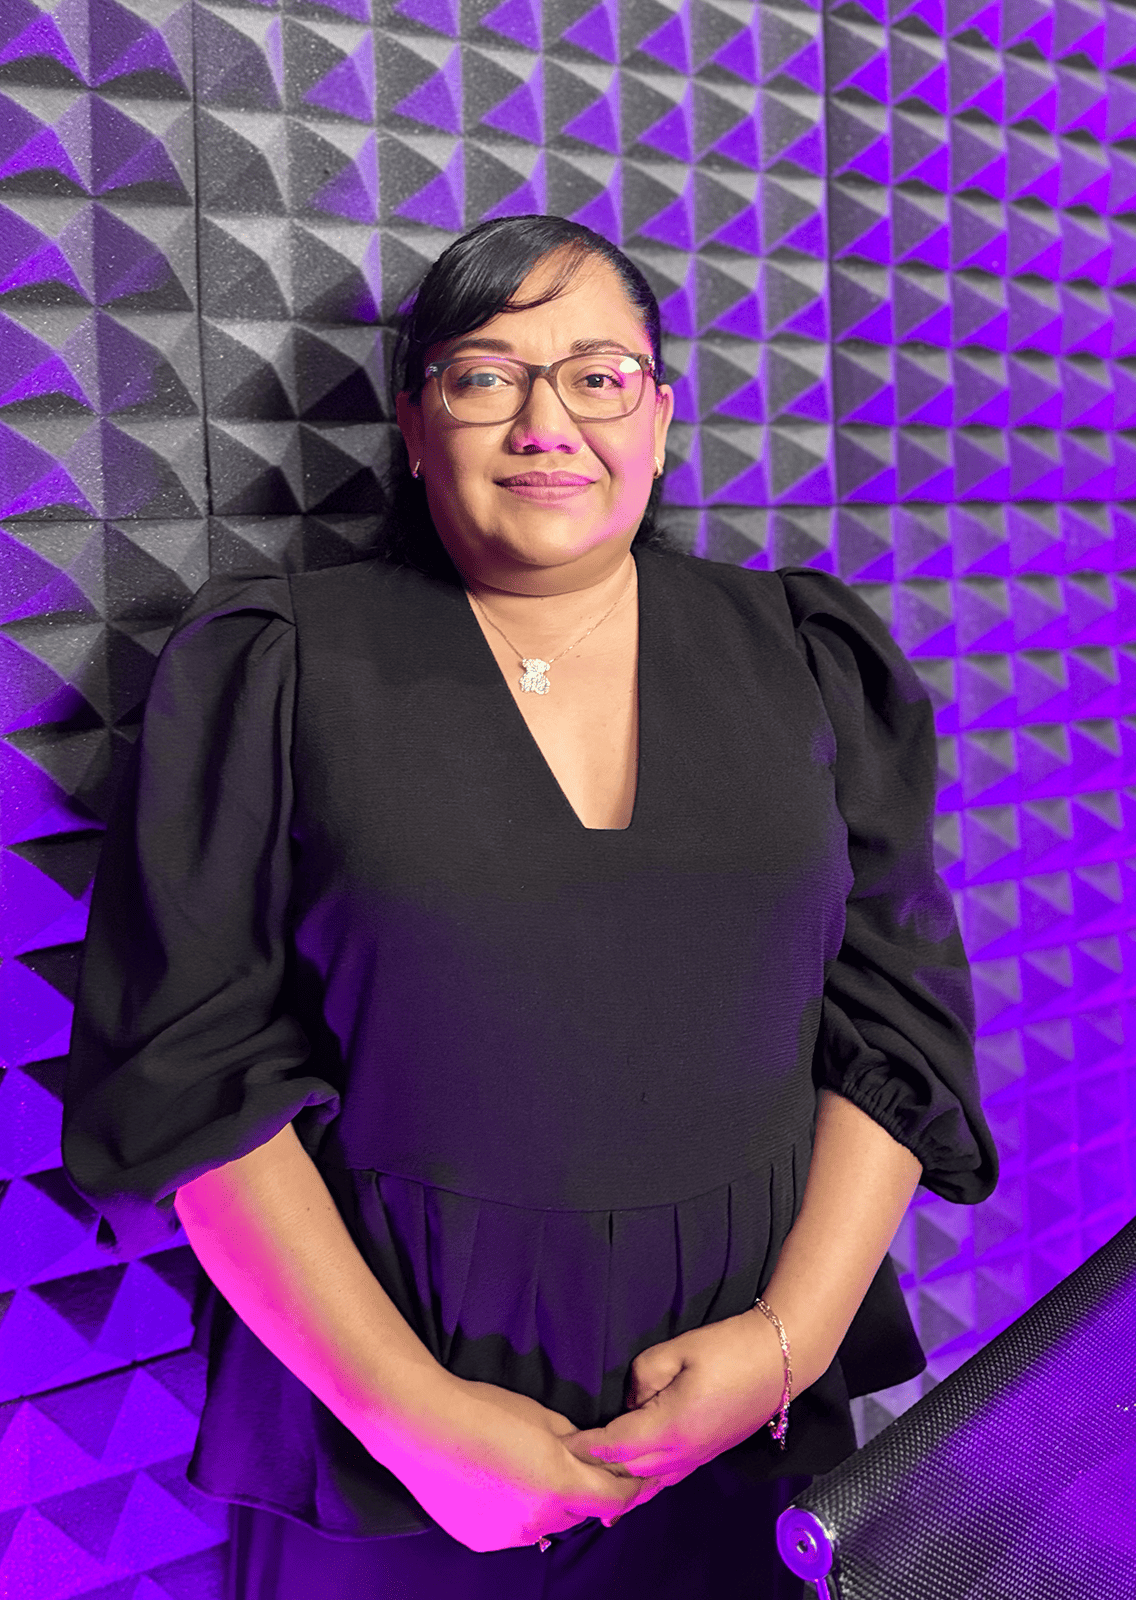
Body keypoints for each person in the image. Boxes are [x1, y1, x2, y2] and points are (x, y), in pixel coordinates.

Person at [62, 215, 998, 1600]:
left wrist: (787, 1345)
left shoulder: (807, 655)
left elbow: (896, 1030)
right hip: (387, 1448)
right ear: (414, 424)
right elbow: (194, 1076)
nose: (546, 421)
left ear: (661, 419)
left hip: (748, 1418)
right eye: (486, 376)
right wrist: (414, 1421)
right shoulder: (273, 663)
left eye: (598, 376)